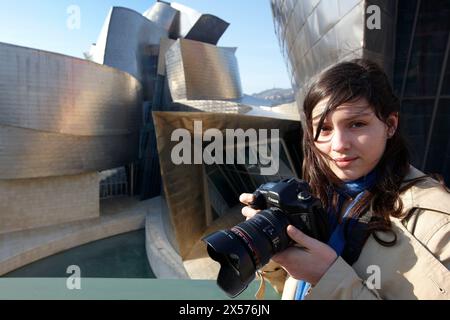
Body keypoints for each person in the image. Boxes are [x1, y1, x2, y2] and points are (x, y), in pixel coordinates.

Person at [239, 59, 450, 300]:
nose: (338, 145)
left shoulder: (437, 223)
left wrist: (327, 278)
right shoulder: (320, 198)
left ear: (390, 125)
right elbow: (290, 288)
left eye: (357, 124)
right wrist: (272, 243)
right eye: (324, 129)